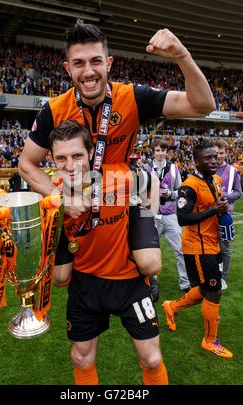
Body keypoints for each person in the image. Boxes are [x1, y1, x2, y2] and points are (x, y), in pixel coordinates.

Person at [18, 20, 215, 291]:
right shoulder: (54, 109)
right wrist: (60, 198)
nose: (88, 71)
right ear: (68, 68)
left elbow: (204, 106)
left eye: (96, 61)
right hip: (77, 193)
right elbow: (26, 163)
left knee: (149, 263)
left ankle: (141, 272)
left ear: (109, 64)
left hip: (126, 189)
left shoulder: (133, 97)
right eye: (79, 63)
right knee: (61, 278)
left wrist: (182, 56)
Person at [50, 120, 166, 385]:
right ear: (52, 158)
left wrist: (147, 219)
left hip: (129, 282)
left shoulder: (117, 177)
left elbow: (152, 181)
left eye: (77, 155)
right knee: (81, 358)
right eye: (61, 158)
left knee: (152, 359)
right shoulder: (51, 190)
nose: (70, 165)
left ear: (91, 153)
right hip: (85, 283)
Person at [162, 141, 233, 359]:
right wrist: (214, 210)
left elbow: (219, 207)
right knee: (214, 291)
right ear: (196, 161)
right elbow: (182, 219)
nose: (214, 161)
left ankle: (171, 307)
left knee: (205, 289)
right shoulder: (188, 186)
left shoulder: (218, 180)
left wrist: (224, 219)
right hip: (198, 247)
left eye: (215, 157)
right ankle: (210, 341)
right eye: (208, 158)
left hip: (213, 244)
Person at [145, 138, 190, 292]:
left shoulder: (173, 168)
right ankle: (152, 284)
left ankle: (185, 282)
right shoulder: (145, 167)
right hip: (151, 215)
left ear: (167, 151)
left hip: (171, 215)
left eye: (163, 150)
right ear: (153, 151)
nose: (160, 153)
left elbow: (181, 191)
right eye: (157, 150)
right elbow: (139, 193)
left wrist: (170, 193)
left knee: (181, 250)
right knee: (150, 252)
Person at [214, 139, 242, 290]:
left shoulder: (232, 171)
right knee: (210, 246)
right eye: (216, 153)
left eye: (221, 153)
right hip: (209, 213)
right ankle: (213, 274)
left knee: (224, 248)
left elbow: (238, 193)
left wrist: (224, 196)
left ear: (226, 153)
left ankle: (223, 277)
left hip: (225, 214)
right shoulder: (207, 167)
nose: (218, 156)